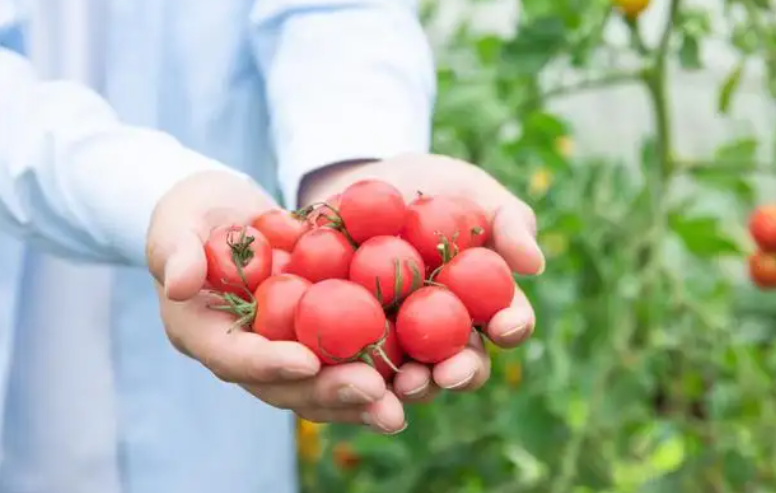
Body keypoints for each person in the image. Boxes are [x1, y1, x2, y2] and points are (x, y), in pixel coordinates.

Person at [0, 0, 545, 492]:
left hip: (235, 330)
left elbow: (335, 10)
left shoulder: (286, 267)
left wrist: (352, 164)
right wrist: (150, 192)